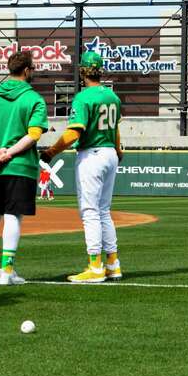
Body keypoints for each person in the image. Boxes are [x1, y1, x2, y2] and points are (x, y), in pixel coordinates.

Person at [41, 51, 124, 283]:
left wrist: (50, 152)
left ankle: (95, 267)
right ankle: (113, 264)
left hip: (93, 154)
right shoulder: (112, 97)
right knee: (104, 210)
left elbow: (73, 133)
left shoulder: (83, 98)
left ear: (82, 71)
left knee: (90, 212)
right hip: (109, 152)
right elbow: (115, 128)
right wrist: (118, 150)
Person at [0, 50, 49, 286]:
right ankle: (6, 272)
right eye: (32, 68)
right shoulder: (33, 99)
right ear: (26, 70)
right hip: (20, 166)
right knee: (13, 217)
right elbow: (34, 134)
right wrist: (9, 153)